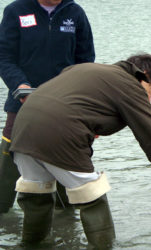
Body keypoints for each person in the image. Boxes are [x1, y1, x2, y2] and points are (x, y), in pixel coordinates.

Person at [10, 53, 151, 249]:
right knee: (92, 195)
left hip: (22, 131)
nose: (149, 99)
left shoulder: (86, 70)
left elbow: (72, 103)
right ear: (143, 74)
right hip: (60, 133)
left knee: (38, 193)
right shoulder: (129, 85)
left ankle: (30, 245)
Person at [0, 0, 95, 213]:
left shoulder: (75, 13)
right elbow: (4, 57)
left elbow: (86, 61)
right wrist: (20, 85)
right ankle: (3, 212)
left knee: (68, 156)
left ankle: (66, 215)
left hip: (65, 105)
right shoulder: (15, 11)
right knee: (11, 154)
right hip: (22, 100)